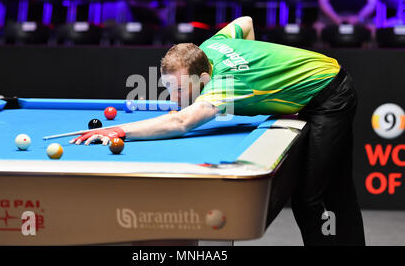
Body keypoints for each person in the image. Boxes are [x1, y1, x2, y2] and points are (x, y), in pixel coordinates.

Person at [70, 16, 366, 246]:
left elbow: (181, 123)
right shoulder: (209, 47)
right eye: (169, 90)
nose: (174, 100)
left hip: (330, 94)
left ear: (204, 77)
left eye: (181, 90)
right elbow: (245, 22)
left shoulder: (223, 86)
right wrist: (259, 72)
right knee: (336, 186)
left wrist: (118, 130)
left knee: (311, 197)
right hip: (321, 79)